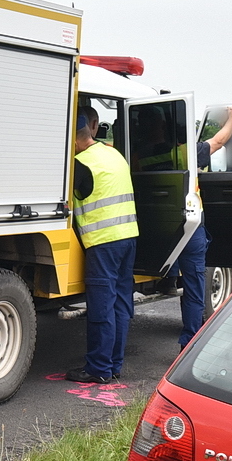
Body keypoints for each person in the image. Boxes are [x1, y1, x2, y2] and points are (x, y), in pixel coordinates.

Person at [67, 105, 139, 385]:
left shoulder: (80, 164)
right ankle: (113, 365)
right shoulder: (113, 153)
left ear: (73, 139)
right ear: (91, 130)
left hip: (103, 243)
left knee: (102, 307)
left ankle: (98, 368)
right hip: (128, 238)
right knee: (120, 303)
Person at [171, 100, 232, 346]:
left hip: (162, 225)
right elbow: (219, 141)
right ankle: (189, 342)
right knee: (194, 285)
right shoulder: (187, 153)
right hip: (189, 226)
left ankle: (168, 278)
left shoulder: (146, 153)